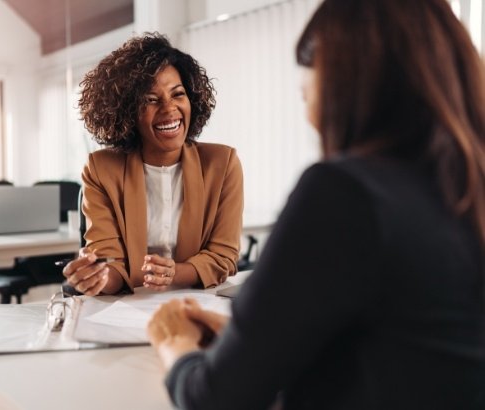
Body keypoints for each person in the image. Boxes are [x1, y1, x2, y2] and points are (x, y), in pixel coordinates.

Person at [147, 0, 485, 409]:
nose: (309, 116)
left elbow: (215, 400)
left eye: (308, 94)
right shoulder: (465, 188)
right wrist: (259, 342)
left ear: (347, 90)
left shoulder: (346, 194)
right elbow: (403, 353)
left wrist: (175, 345)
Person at [62, 33, 243, 296]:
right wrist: (97, 277)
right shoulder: (101, 169)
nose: (169, 109)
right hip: (126, 308)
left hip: (195, 302)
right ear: (127, 111)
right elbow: (110, 264)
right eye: (151, 100)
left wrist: (175, 273)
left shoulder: (223, 164)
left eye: (178, 94)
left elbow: (223, 256)